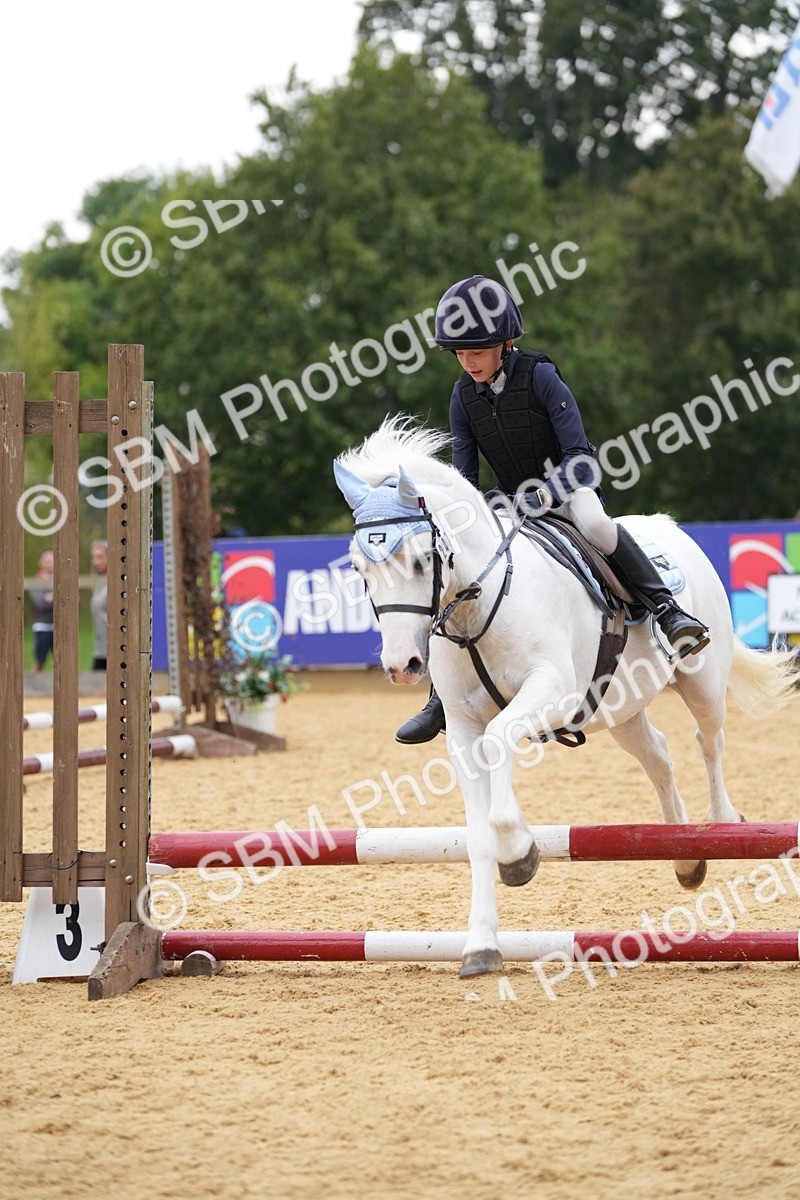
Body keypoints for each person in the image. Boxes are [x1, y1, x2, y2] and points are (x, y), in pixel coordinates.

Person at [395, 275, 709, 744]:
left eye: (476, 350)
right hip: (508, 506)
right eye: (459, 353)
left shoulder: (541, 377)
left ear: (504, 342)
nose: (468, 361)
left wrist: (546, 493)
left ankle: (668, 613)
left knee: (599, 525)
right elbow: (465, 478)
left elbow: (579, 454)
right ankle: (444, 696)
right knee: (460, 566)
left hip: (568, 490)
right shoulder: (463, 397)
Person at [30, 549, 55, 673]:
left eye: (53, 560)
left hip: (59, 627)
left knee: (63, 661)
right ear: (41, 562)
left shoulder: (62, 579)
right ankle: (32, 690)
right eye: (48, 560)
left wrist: (50, 597)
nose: (51, 563)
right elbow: (40, 603)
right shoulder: (36, 580)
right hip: (43, 626)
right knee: (39, 662)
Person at [90, 539, 108, 671]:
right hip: (100, 650)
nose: (96, 561)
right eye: (94, 557)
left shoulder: (117, 585)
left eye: (100, 557)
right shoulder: (99, 585)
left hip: (116, 649)